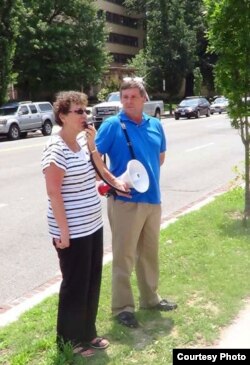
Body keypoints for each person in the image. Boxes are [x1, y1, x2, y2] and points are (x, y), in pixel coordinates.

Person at [41, 91, 127, 357]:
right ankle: (69, 340)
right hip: (72, 230)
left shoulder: (81, 142)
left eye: (86, 111)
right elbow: (54, 192)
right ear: (63, 116)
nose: (85, 117)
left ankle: (88, 333)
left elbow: (99, 169)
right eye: (79, 112)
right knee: (75, 283)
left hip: (92, 224)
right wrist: (64, 233)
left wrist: (94, 150)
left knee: (91, 280)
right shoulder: (56, 149)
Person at [95, 79, 177, 328]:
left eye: (133, 96)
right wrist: (113, 180)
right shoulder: (111, 125)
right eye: (125, 96)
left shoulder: (155, 125)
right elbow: (94, 157)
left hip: (153, 199)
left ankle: (150, 299)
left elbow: (159, 158)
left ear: (144, 99)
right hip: (125, 202)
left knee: (149, 253)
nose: (128, 101)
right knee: (124, 256)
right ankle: (122, 307)